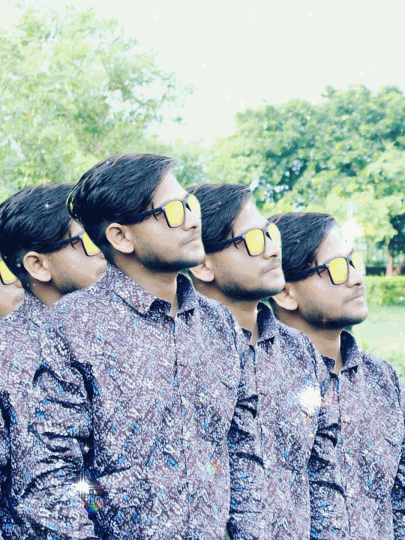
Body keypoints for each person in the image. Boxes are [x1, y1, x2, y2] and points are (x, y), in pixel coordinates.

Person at [22, 154, 264, 539]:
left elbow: (244, 454)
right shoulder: (73, 325)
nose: (192, 220)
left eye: (190, 204)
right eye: (172, 211)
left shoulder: (221, 325)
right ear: (121, 236)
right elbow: (52, 475)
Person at [188, 183, 349, 539]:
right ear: (202, 264)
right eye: (254, 240)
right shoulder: (180, 352)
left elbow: (322, 471)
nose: (274, 250)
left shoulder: (299, 352)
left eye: (270, 235)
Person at [268, 211, 405, 540]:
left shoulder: (382, 379)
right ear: (285, 293)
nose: (357, 278)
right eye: (337, 268)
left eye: (352, 262)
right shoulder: (259, 383)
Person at [0, 183, 107, 539]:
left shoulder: (102, 337)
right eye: (87, 241)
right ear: (38, 264)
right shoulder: (12, 356)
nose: (103, 252)